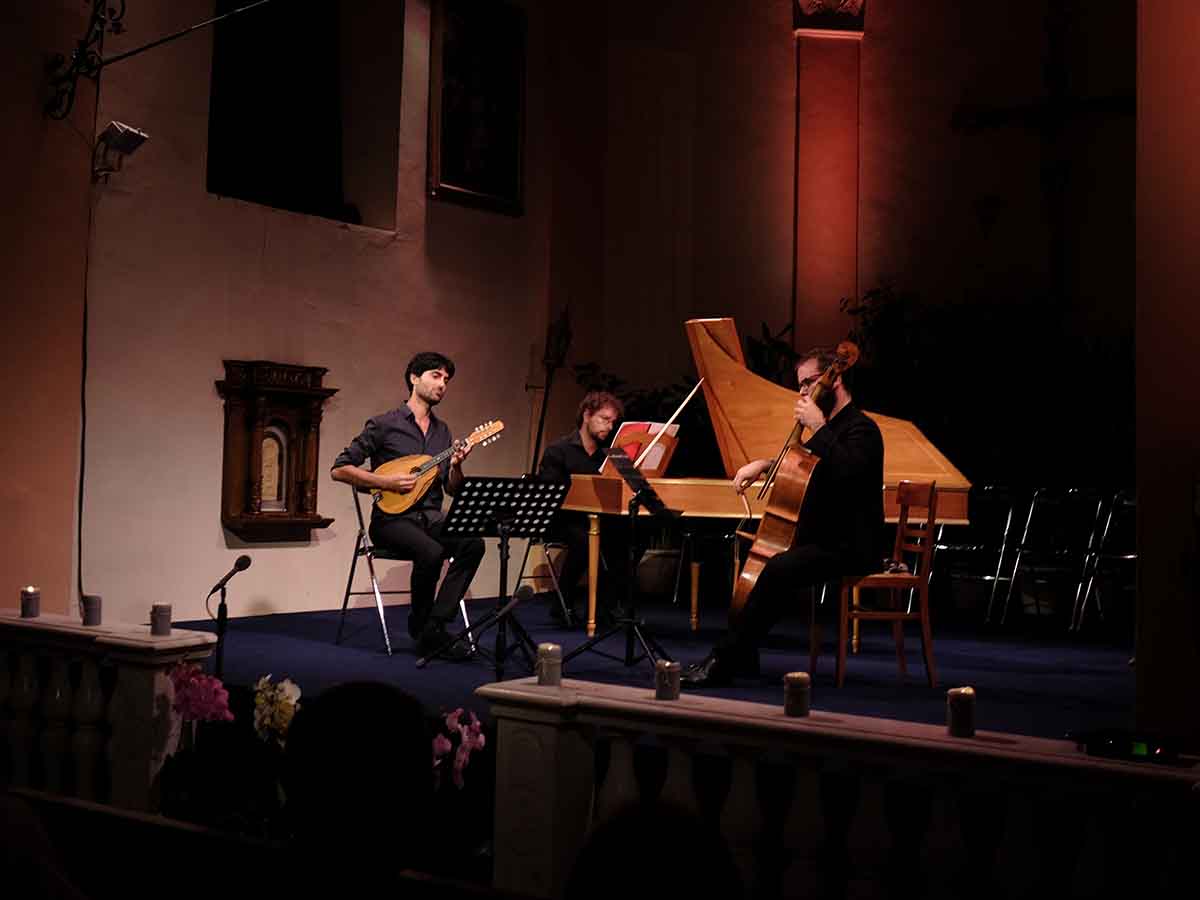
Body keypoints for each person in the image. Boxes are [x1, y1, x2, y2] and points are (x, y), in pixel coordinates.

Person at [681, 346, 884, 688]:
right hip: (823, 538)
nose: (803, 392)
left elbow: (849, 476)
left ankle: (723, 662)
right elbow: (807, 469)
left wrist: (818, 428)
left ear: (834, 379)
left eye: (809, 383)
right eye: (800, 386)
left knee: (778, 568)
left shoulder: (862, 430)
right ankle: (742, 656)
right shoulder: (831, 430)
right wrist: (764, 465)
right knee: (761, 561)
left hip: (851, 545)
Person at [331, 351, 485, 659]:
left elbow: (452, 489)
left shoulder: (444, 433)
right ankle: (421, 628)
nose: (442, 385)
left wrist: (456, 466)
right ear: (414, 378)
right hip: (391, 521)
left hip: (430, 516)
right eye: (435, 376)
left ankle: (435, 626)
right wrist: (385, 483)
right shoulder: (384, 424)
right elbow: (340, 468)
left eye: (446, 380)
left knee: (473, 543)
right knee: (432, 551)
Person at [537, 390, 632, 626]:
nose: (609, 427)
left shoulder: (607, 456)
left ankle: (606, 606)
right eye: (604, 419)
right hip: (561, 519)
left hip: (597, 518)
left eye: (613, 422)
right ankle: (563, 604)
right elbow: (549, 495)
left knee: (628, 534)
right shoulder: (558, 450)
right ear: (587, 415)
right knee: (584, 539)